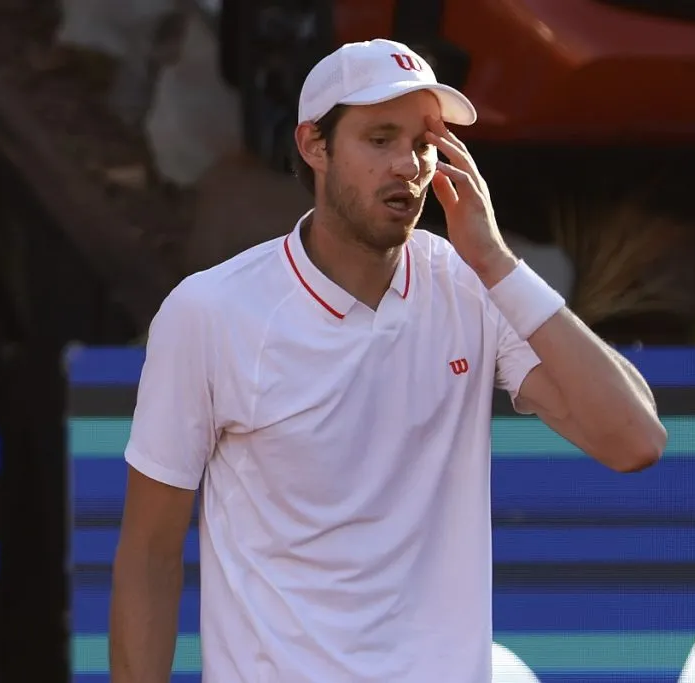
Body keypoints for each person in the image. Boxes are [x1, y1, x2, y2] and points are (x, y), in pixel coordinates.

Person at [109, 38, 666, 683]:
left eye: (424, 144)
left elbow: (634, 440)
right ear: (314, 146)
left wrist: (496, 262)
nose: (408, 164)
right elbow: (148, 554)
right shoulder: (209, 311)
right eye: (380, 139)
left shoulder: (473, 286)